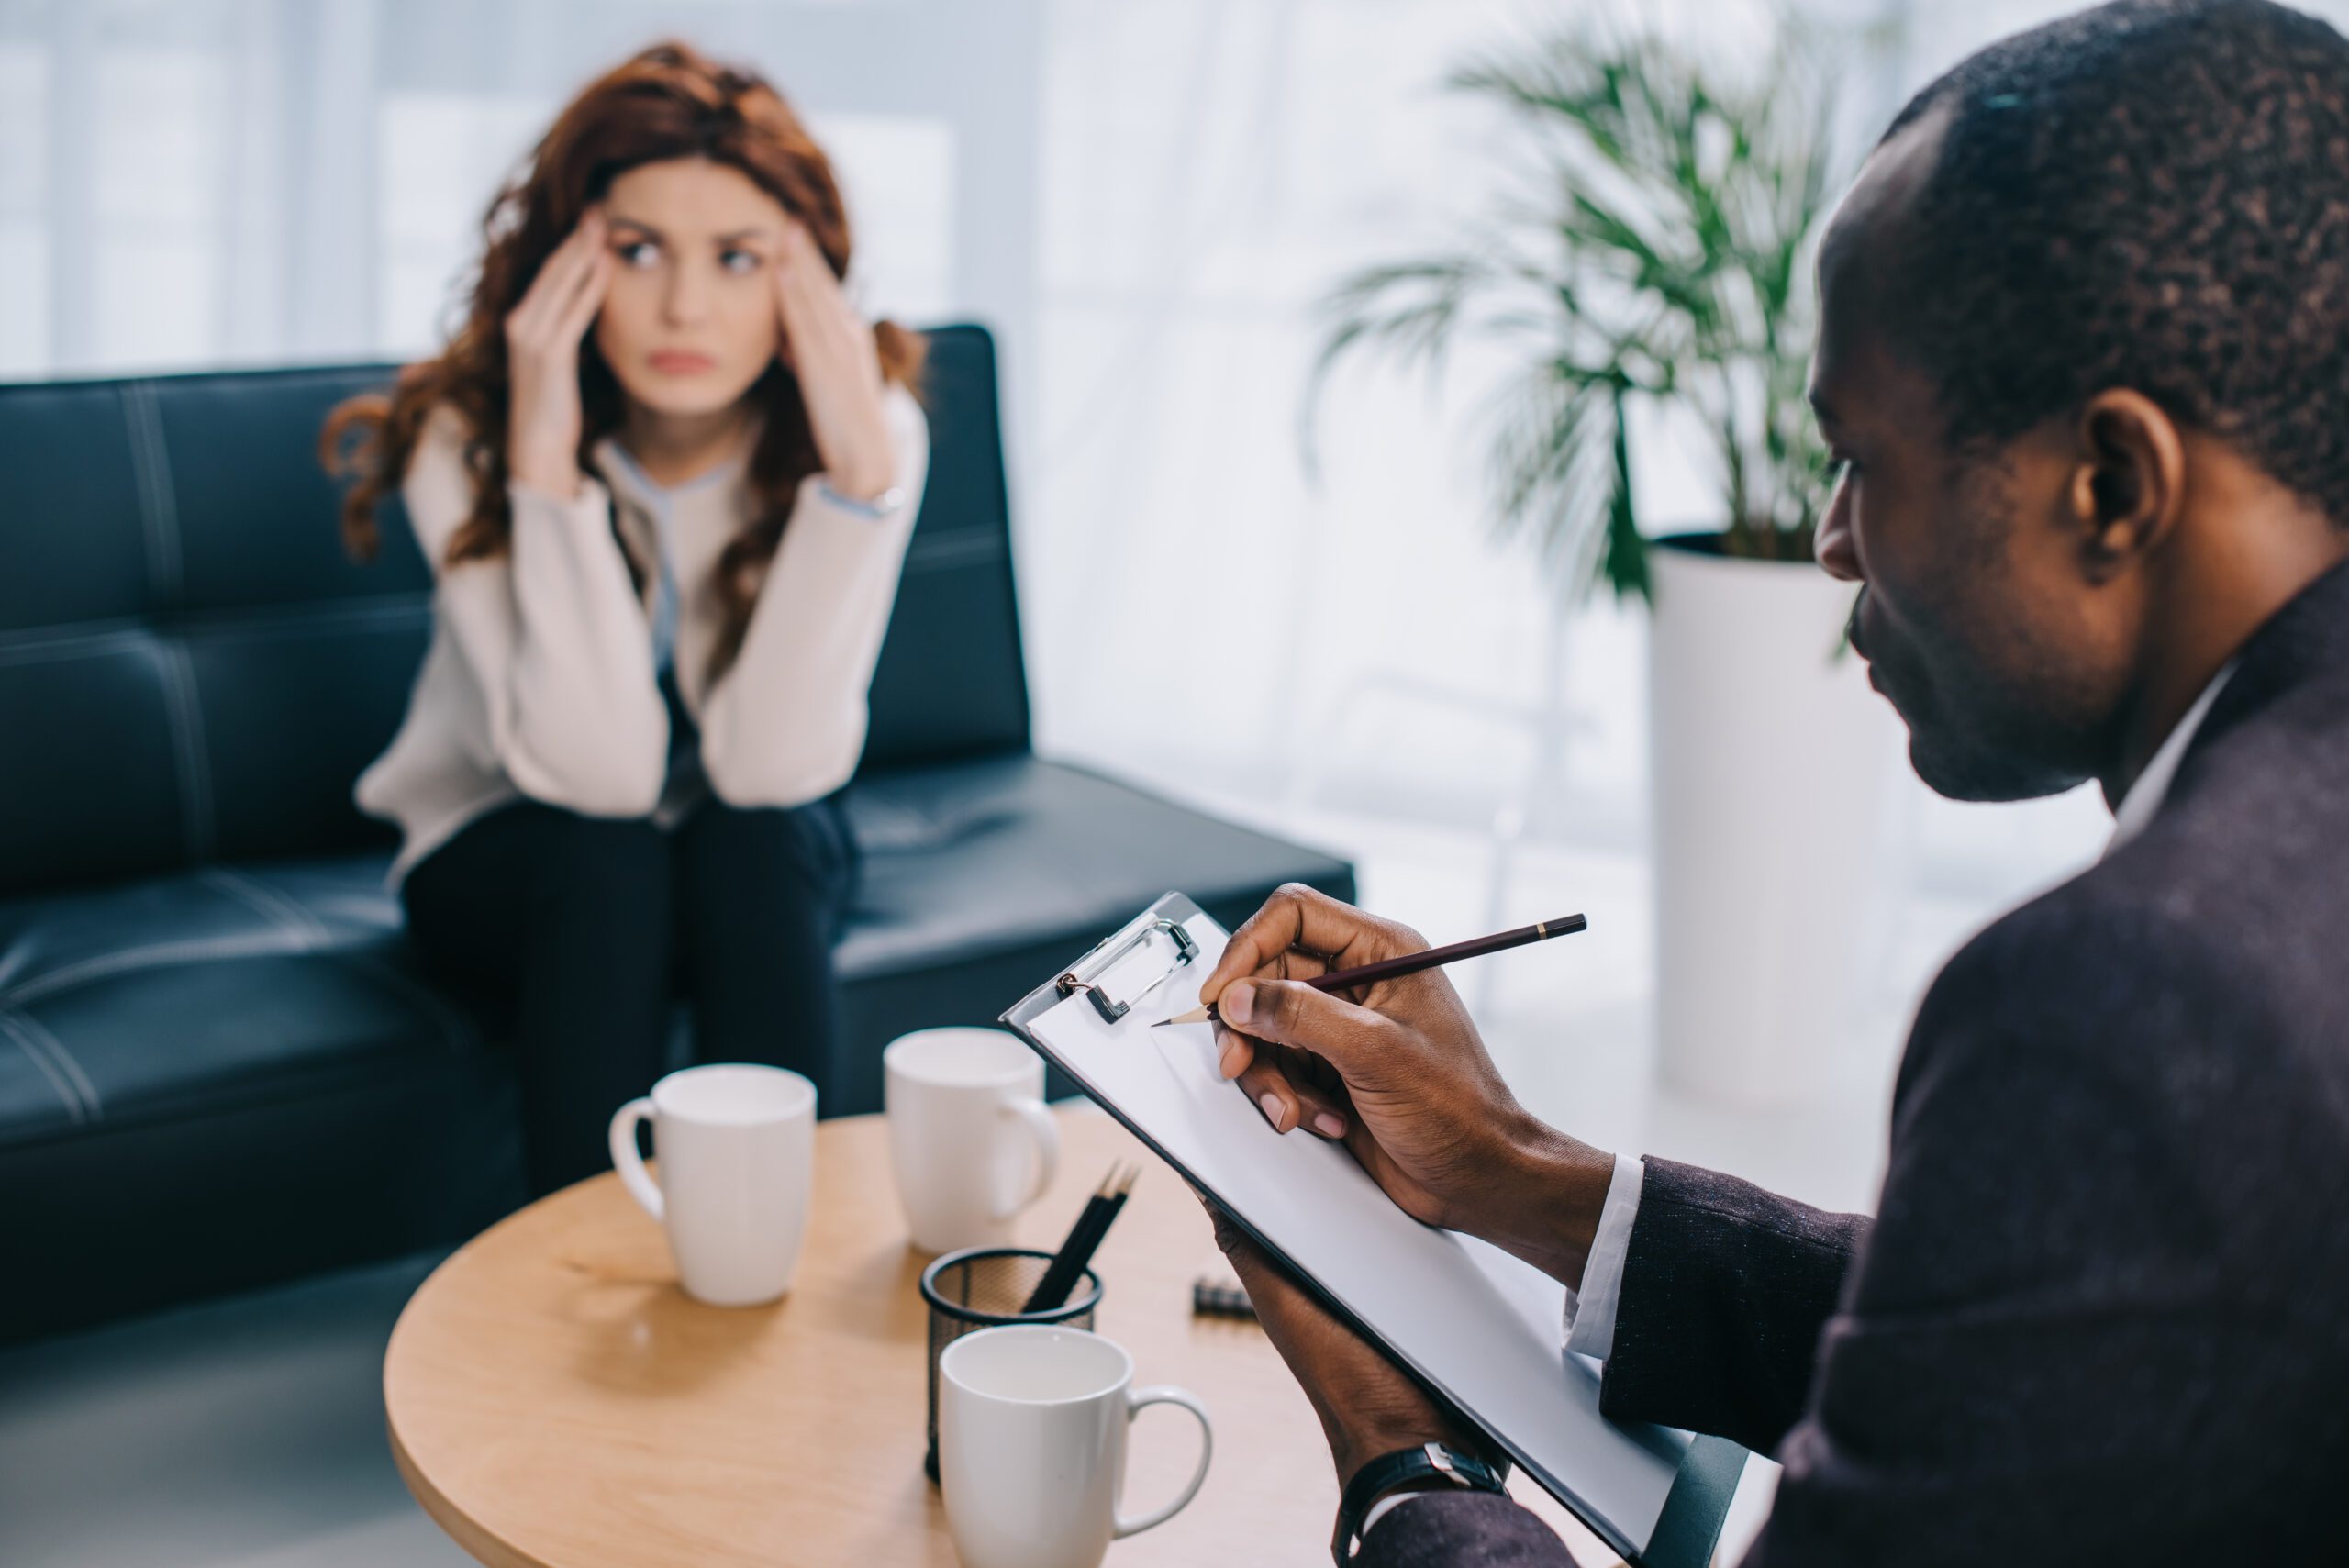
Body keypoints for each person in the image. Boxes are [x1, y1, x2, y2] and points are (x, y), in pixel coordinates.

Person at [1195, 2, 2349, 1561]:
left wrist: (1403, 1462)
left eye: (1863, 457)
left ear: (2111, 486)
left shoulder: (2132, 998)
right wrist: (1518, 1170)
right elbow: (2054, 1347)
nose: (1827, 538)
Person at [321, 40, 929, 1196]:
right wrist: (547, 477)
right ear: (565, 263)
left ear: (800, 282)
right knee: (610, 862)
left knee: (752, 841)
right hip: (509, 852)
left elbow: (768, 767)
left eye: (738, 258)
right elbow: (596, 775)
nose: (684, 306)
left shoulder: (868, 427)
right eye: (638, 251)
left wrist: (854, 489)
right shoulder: (468, 432)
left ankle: (766, 1273)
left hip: (745, 853)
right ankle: (572, 1293)